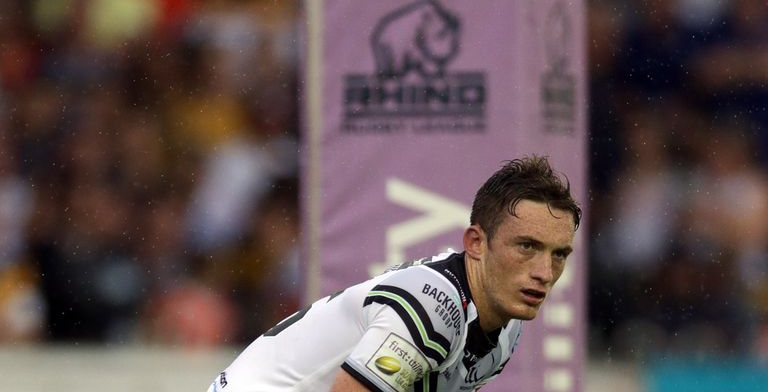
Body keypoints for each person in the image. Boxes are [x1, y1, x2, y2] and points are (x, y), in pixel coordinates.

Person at [206, 155, 581, 392]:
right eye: (527, 247)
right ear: (476, 243)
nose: (545, 272)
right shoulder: (434, 308)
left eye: (559, 254)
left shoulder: (506, 328)